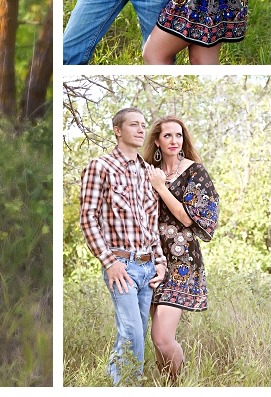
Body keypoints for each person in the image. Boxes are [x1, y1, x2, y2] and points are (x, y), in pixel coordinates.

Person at [78, 107, 167, 385]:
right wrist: (110, 262)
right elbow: (88, 218)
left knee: (133, 331)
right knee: (133, 334)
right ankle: (131, 386)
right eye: (133, 125)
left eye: (143, 125)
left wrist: (160, 261)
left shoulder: (147, 172)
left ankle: (113, 383)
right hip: (121, 265)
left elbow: (152, 222)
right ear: (118, 130)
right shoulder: (100, 167)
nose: (141, 130)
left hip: (147, 266)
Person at [144, 116, 220, 380]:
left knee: (162, 337)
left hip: (182, 260)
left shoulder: (194, 171)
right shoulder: (149, 171)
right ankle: (166, 385)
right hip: (152, 258)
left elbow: (188, 218)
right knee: (157, 340)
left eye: (178, 135)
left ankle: (179, 386)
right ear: (156, 140)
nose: (174, 141)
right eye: (167, 136)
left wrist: (161, 188)